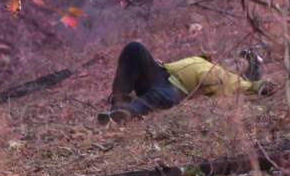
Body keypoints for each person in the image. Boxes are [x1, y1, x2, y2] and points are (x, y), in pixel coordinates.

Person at [97, 41, 275, 123]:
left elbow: (238, 85)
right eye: (237, 60)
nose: (234, 63)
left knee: (159, 95)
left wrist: (256, 86)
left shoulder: (217, 73)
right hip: (161, 73)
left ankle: (126, 114)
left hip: (174, 89)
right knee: (134, 48)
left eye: (240, 64)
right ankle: (117, 105)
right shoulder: (201, 61)